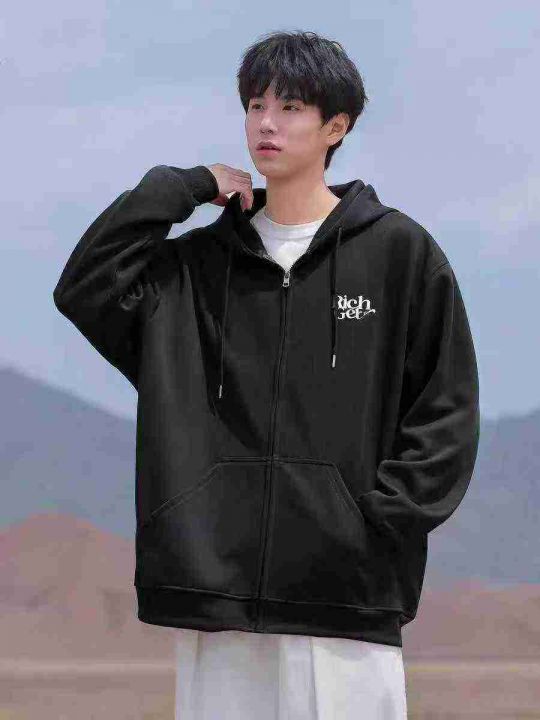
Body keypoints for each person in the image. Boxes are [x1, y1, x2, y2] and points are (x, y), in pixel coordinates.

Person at [53, 29, 480, 720]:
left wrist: (373, 526)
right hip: (216, 601)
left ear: (337, 126)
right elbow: (86, 286)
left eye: (290, 107)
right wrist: (184, 187)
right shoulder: (195, 270)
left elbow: (446, 410)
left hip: (345, 602)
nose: (266, 124)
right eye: (255, 105)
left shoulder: (400, 255)